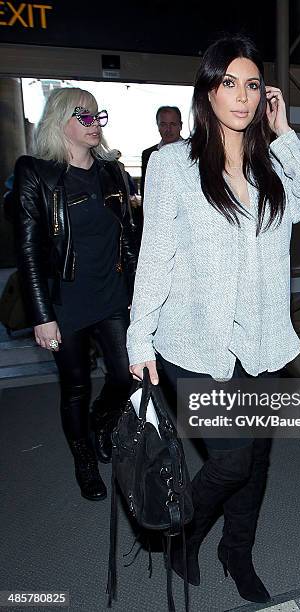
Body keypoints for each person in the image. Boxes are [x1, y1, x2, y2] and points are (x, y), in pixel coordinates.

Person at [127, 36, 300, 603]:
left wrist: (286, 135)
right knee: (233, 460)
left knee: (256, 456)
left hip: (262, 343)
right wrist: (138, 335)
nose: (241, 97)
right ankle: (178, 535)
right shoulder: (173, 164)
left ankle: (235, 551)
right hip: (197, 344)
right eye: (228, 83)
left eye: (252, 85)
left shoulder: (273, 167)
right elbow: (156, 255)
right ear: (208, 91)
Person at [12, 88, 138, 501]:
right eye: (84, 116)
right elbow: (28, 249)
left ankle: (101, 424)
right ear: (60, 121)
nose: (95, 124)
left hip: (113, 295)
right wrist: (41, 314)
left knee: (125, 376)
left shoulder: (113, 172)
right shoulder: (37, 173)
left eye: (97, 116)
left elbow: (131, 239)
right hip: (65, 302)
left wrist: (139, 291)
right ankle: (83, 457)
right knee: (76, 386)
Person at [134, 106, 183, 244]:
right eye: (163, 124)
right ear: (158, 126)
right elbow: (146, 191)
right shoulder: (148, 154)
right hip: (156, 223)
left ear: (180, 126)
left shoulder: (193, 153)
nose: (168, 129)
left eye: (173, 124)